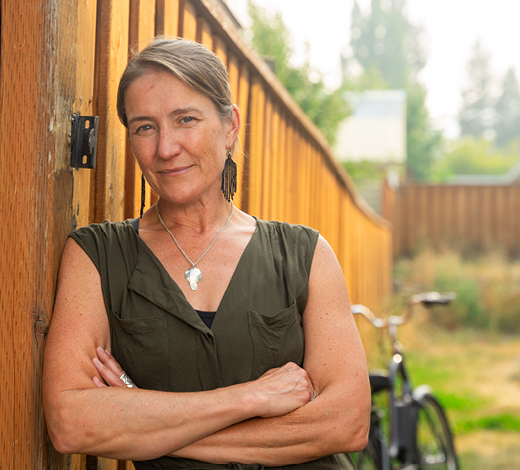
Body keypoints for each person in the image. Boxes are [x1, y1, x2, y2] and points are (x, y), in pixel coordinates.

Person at [43, 37, 370, 469]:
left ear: (230, 125)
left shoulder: (304, 254)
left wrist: (144, 426)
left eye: (186, 120)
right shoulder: (96, 257)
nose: (165, 148)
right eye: (145, 127)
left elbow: (346, 423)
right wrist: (249, 397)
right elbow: (72, 423)